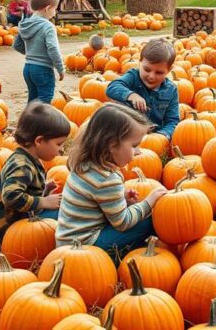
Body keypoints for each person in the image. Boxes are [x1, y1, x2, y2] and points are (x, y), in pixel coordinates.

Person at [56, 103, 167, 261]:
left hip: (67, 241)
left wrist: (121, 197)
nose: (138, 151)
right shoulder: (107, 180)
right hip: (88, 248)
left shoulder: (84, 164)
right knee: (152, 221)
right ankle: (121, 256)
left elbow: (95, 198)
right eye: (134, 146)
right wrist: (150, 201)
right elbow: (123, 222)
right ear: (112, 145)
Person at [0, 102, 70, 242]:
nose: (62, 150)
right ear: (39, 141)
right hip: (13, 232)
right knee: (66, 213)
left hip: (24, 221)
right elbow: (11, 197)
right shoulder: (22, 165)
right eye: (59, 144)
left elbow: (25, 191)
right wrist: (43, 201)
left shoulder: (26, 159)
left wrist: (44, 189)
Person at [106, 39, 180, 140]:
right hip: (125, 135)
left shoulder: (171, 90)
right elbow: (112, 87)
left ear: (169, 71)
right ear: (140, 62)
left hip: (153, 139)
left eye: (159, 72)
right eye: (147, 69)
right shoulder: (133, 76)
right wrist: (131, 95)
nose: (151, 76)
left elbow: (173, 120)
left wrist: (163, 135)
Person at [13, 0, 65, 104]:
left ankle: (27, 121)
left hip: (28, 68)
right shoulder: (48, 26)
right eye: (55, 9)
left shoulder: (24, 24)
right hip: (43, 70)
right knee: (45, 99)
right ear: (47, 8)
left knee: (33, 99)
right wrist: (60, 68)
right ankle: (38, 121)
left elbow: (16, 45)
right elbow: (53, 49)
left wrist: (31, 53)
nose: (55, 13)